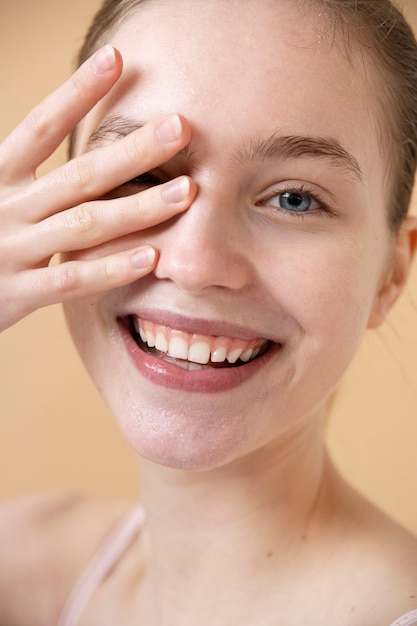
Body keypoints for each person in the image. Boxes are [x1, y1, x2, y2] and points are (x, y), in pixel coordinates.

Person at [1, 0, 417, 624]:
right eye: (141, 176)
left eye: (296, 199)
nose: (194, 264)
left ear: (392, 274)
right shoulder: (22, 568)